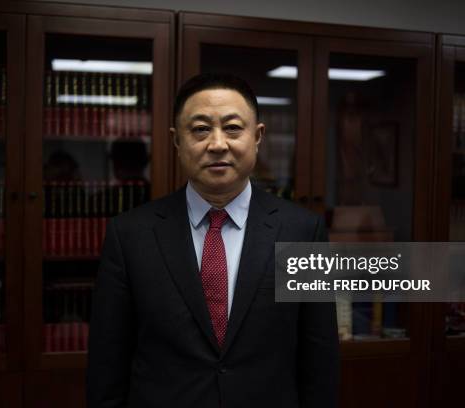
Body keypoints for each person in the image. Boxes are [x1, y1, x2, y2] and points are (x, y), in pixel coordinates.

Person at [87, 73, 339, 408]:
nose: (217, 143)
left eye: (233, 128)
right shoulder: (130, 235)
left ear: (257, 136)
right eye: (201, 129)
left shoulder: (302, 232)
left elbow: (319, 358)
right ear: (177, 141)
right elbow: (108, 362)